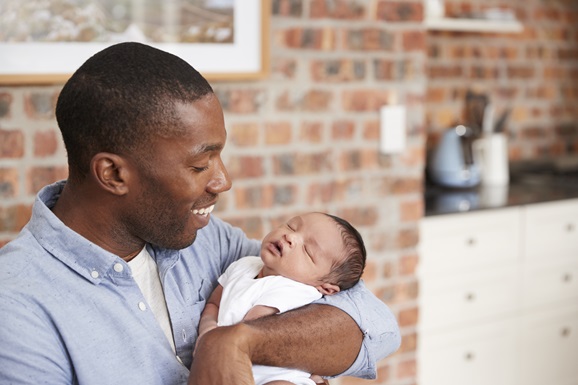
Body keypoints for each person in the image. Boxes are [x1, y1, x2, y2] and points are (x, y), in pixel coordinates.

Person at [0, 42, 400, 385]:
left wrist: (238, 341)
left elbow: (373, 324)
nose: (222, 181)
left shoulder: (210, 240)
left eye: (219, 157)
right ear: (114, 173)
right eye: (199, 165)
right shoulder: (16, 305)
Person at [197, 212, 366, 385]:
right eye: (291, 226)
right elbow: (213, 303)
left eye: (307, 250)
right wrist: (208, 329)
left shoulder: (299, 290)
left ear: (325, 287)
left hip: (278, 376)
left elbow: (254, 328)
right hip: (226, 365)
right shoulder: (243, 265)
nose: (290, 237)